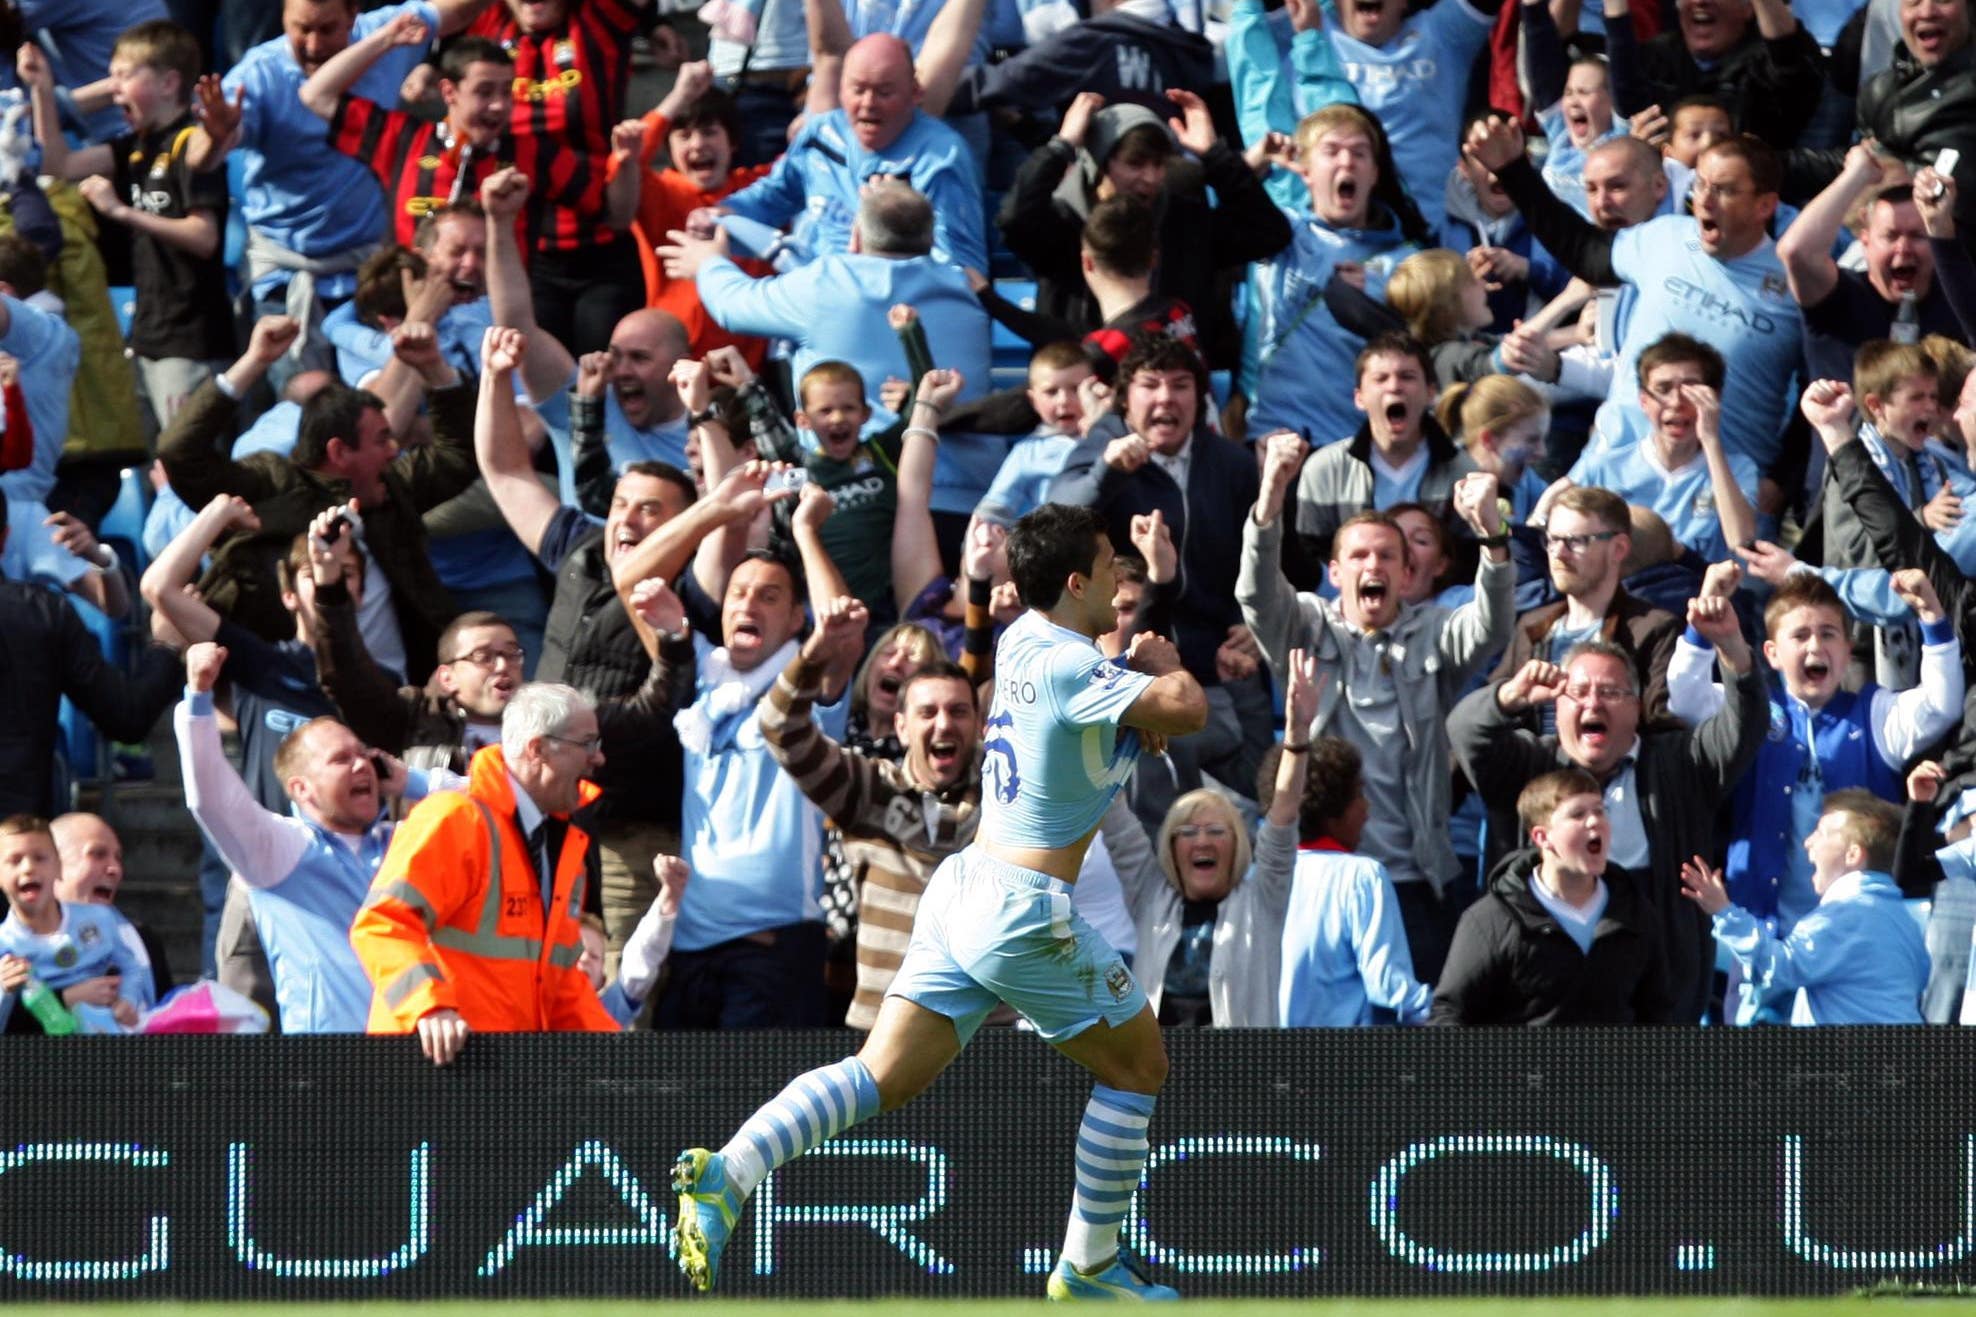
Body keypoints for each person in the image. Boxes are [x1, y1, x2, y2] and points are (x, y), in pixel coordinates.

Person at [668, 503, 1207, 1300]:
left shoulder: (1028, 639)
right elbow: (1187, 708)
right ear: (1075, 580)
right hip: (1024, 908)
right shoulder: (1072, 665)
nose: (1120, 586)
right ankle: (1089, 1264)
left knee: (879, 1075)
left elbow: (1102, 700)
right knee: (1140, 1066)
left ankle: (731, 1170)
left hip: (964, 889)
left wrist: (1132, 672)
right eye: (1108, 566)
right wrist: (1163, 662)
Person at [1241, 440, 1515, 981]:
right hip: (1319, 870)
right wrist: (1272, 492)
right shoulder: (1304, 625)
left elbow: (1491, 626)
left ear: (1406, 572)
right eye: (1360, 556)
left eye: (1388, 555)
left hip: (1416, 880)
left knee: (1418, 1037)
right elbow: (1256, 594)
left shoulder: (1434, 633)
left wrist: (1492, 537)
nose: (1375, 565)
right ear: (1335, 571)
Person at [1667, 571, 1959, 997]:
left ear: (1845, 650)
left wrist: (1932, 616)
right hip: (1760, 934)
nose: (1814, 646)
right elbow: (1684, 698)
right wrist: (1702, 615)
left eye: (1828, 634)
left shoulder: (1874, 713)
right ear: (1771, 653)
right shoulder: (1749, 713)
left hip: (1854, 943)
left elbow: (1940, 703)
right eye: (1799, 635)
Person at [1448, 637, 1767, 1020]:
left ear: (1636, 707)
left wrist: (1732, 647)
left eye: (1610, 692)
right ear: (1557, 706)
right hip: (1545, 998)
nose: (1592, 703)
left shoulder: (1680, 762)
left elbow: (1745, 726)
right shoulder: (1530, 763)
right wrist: (1509, 697)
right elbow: (1464, 730)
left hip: (1658, 990)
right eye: (1578, 692)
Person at [1467, 121, 1804, 483]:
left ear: (1765, 205)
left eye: (1724, 190)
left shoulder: (1797, 286)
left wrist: (1781, 483)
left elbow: (1821, 390)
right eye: (1701, 184)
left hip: (1719, 488)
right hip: (1614, 466)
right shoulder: (1666, 237)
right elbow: (1583, 249)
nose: (1704, 200)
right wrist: (1514, 170)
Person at [158, 314, 479, 683]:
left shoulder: (389, 488)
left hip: (397, 697)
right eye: (380, 440)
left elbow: (458, 457)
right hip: (288, 692)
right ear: (339, 451)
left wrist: (434, 368)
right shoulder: (270, 484)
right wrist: (255, 361)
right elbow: (180, 453)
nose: (393, 451)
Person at [184, 0, 472, 392]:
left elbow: (458, 10)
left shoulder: (389, 32)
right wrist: (216, 135)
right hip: (289, 272)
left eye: (327, 29)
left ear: (354, 15)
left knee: (380, 407)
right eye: (301, 28)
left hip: (368, 270)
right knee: (305, 398)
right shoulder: (260, 73)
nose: (313, 44)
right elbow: (200, 159)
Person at [178, 641, 446, 1033]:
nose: (362, 765)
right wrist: (198, 698)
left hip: (421, 1052)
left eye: (364, 755)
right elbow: (211, 799)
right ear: (301, 789)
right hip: (327, 1065)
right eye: (341, 760)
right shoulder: (279, 849)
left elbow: (492, 809)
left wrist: (412, 781)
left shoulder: (404, 841)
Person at [351, 682, 622, 1063]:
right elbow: (383, 924)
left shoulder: (561, 846)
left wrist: (616, 1055)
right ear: (538, 749)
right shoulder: (456, 818)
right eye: (588, 744)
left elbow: (560, 981)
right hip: (432, 1070)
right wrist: (429, 1008)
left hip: (500, 1076)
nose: (598, 758)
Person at [761, 635, 981, 1029]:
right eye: (928, 712)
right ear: (901, 726)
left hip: (985, 1031)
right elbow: (780, 727)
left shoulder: (1007, 799)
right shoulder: (869, 789)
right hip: (881, 1029)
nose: (944, 723)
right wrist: (813, 654)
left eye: (958, 711)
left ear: (978, 724)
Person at [22, 24, 233, 427]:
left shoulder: (192, 144)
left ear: (170, 82)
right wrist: (42, 89)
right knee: (156, 470)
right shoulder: (134, 147)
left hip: (190, 342)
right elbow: (58, 164)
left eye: (124, 76)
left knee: (185, 467)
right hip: (146, 337)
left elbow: (203, 237)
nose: (112, 89)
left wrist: (120, 211)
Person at [994, 93, 1290, 372]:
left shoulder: (1183, 220)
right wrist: (1061, 146)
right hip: (1080, 398)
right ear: (1098, 164)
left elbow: (1267, 232)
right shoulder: (1062, 226)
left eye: (1159, 164)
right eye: (1135, 164)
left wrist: (1215, 156)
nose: (1150, 178)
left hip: (1172, 400)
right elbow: (1014, 220)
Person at [1050, 335, 1260, 689]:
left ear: (1199, 398)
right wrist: (1108, 471)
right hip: (1125, 669)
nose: (1166, 397)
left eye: (1180, 385)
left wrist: (1254, 623)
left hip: (1222, 667)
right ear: (1125, 400)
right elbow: (1054, 522)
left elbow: (1268, 558)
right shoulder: (1103, 448)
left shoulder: (1233, 463)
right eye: (1150, 385)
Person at [1125, 648, 1318, 1027]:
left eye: (1216, 831)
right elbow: (1114, 814)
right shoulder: (1149, 893)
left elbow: (1281, 819)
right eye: (1188, 832)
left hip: (1236, 1080)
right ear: (1170, 846)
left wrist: (1296, 738)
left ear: (1237, 844)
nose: (1202, 842)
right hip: (1155, 1079)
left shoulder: (1262, 900)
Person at [713, 34, 988, 273]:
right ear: (841, 91)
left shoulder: (939, 158)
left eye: (884, 92)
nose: (868, 104)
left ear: (915, 93)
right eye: (858, 90)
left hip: (888, 311)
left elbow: (959, 269)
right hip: (810, 296)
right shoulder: (821, 134)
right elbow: (776, 196)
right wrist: (725, 213)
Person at [1431, 767, 1677, 1024]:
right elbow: (1449, 1013)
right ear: (1542, 837)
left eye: (1599, 810)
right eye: (1578, 814)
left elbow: (1657, 1011)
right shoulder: (1492, 920)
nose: (1595, 821)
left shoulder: (1633, 912)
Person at [1246, 105, 1426, 448]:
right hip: (1274, 438)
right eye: (1331, 152)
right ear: (1306, 171)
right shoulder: (1280, 235)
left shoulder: (1408, 262)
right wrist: (1254, 162)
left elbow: (1435, 349)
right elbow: (1203, 224)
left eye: (1359, 153)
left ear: (1374, 173)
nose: (1347, 162)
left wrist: (1371, 303)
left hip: (1357, 449)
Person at [0, 495, 181, 818]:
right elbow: (126, 715)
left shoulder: (45, 613)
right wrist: (166, 647)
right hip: (23, 847)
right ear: (5, 538)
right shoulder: (43, 613)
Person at [1681, 791, 1929, 1023]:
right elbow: (1921, 976)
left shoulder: (1844, 914)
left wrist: (1723, 912)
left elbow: (1778, 966)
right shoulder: (1905, 921)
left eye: (1821, 832)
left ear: (1853, 855)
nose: (1808, 842)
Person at [1288, 334, 1481, 591]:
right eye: (1381, 379)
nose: (1394, 387)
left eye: (1407, 377)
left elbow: (1470, 567)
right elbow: (1309, 561)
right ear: (1359, 397)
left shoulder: (1464, 472)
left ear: (1431, 393)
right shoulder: (1324, 470)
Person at [1492, 485, 1683, 725]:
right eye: (1552, 540)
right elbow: (1488, 716)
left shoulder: (1653, 630)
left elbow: (1662, 727)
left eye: (1575, 541)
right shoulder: (1533, 626)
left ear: (1619, 548)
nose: (1559, 553)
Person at [624, 62, 773, 365]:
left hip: (747, 368)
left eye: (709, 132)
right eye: (684, 135)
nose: (698, 144)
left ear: (732, 142)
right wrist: (678, 97)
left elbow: (808, 159)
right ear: (669, 147)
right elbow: (626, 161)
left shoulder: (761, 190)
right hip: (674, 365)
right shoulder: (662, 191)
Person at [1278, 736, 1432, 1026]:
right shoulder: (1362, 876)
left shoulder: (1253, 875)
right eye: (1359, 795)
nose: (1367, 809)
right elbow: (1388, 986)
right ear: (1331, 808)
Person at [1568, 334, 1759, 564]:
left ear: (1713, 398)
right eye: (1663, 389)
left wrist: (1710, 440)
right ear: (1644, 401)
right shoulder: (1603, 467)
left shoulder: (1738, 470)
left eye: (1691, 389)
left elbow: (1741, 542)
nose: (1677, 401)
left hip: (1697, 593)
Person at [1778, 146, 1960, 383]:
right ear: (1865, 242)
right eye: (1890, 236)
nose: (1903, 248)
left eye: (1917, 236)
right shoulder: (1839, 297)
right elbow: (1796, 252)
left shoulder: (1958, 304)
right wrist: (1857, 174)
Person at [0, 815, 154, 1034]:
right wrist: (4, 991)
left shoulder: (101, 919)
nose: (28, 868)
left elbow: (132, 968)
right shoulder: (5, 948)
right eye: (15, 860)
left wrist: (127, 1000)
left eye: (40, 858)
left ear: (58, 868)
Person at [50, 812, 170, 1002]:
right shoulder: (14, 945)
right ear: (54, 865)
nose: (115, 869)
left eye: (118, 857)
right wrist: (66, 999)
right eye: (98, 854)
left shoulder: (144, 940)